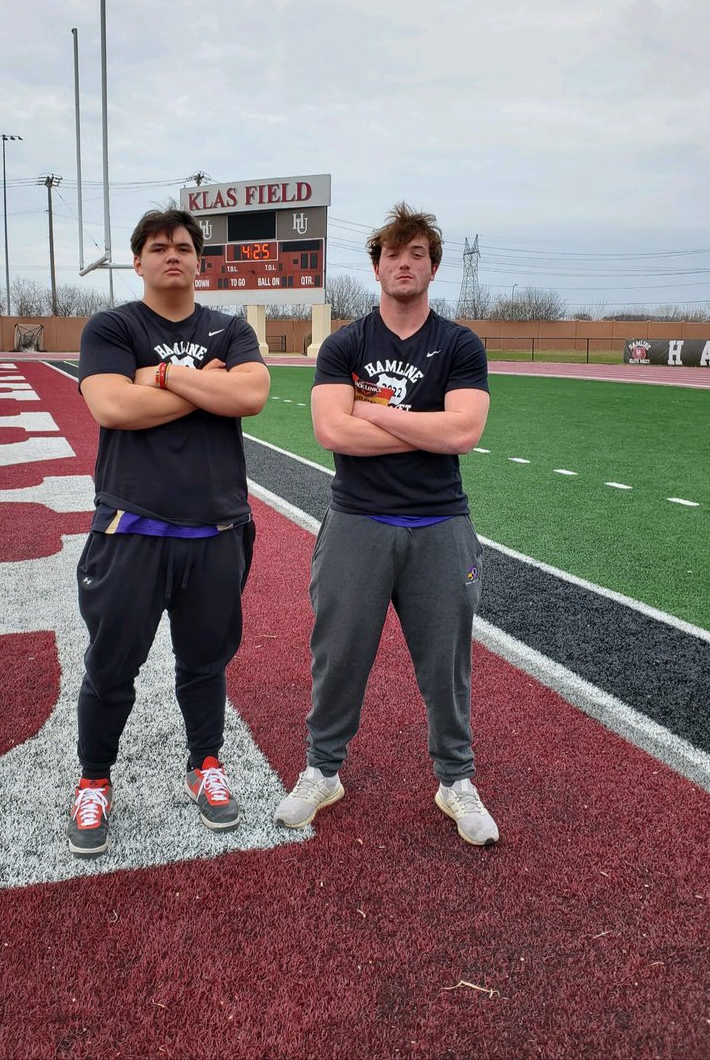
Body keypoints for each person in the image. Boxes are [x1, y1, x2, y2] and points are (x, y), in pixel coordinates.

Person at [274, 202, 499, 847]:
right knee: (338, 654)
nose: (405, 264)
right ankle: (322, 770)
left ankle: (455, 779)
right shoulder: (346, 342)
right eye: (394, 254)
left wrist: (375, 414)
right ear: (376, 266)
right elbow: (329, 431)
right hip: (357, 520)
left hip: (439, 523)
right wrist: (425, 429)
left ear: (431, 265)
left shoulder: (458, 344)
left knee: (446, 660)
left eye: (417, 254)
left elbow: (463, 432)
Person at [67, 205, 270, 856]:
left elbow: (250, 397)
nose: (172, 254)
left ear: (198, 259)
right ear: (139, 261)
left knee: (205, 663)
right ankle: (94, 779)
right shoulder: (114, 326)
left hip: (215, 529)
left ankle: (204, 762)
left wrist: (162, 375)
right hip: (133, 527)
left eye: (184, 245)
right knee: (110, 666)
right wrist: (204, 384)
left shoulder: (229, 329)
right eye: (159, 247)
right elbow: (113, 406)